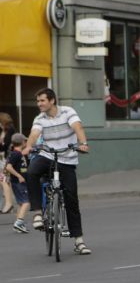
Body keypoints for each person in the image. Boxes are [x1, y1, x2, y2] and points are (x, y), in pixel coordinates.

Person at [23, 88, 92, 255]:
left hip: (66, 158)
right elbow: (34, 133)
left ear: (52, 101)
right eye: (38, 101)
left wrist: (83, 143)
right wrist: (28, 146)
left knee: (71, 199)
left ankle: (79, 241)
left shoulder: (68, 112)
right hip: (47, 155)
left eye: (42, 101)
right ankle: (38, 213)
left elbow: (77, 127)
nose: (39, 104)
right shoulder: (40, 118)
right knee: (31, 172)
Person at [4, 133, 30, 233]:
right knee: (26, 202)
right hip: (19, 182)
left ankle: (20, 224)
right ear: (22, 142)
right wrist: (19, 176)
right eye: (25, 141)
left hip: (18, 182)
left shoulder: (18, 153)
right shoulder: (16, 154)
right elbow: (8, 167)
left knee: (20, 203)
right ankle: (19, 222)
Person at [0, 112, 16, 214]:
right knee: (4, 181)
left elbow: (6, 146)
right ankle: (6, 204)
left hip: (6, 159)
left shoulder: (9, 130)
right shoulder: (5, 130)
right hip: (3, 159)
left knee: (3, 180)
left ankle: (9, 203)